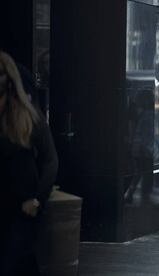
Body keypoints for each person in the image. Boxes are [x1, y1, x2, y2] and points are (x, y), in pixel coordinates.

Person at [0, 51, 57, 275]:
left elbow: (50, 159)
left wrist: (37, 199)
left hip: (23, 206)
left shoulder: (27, 115)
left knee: (13, 261)